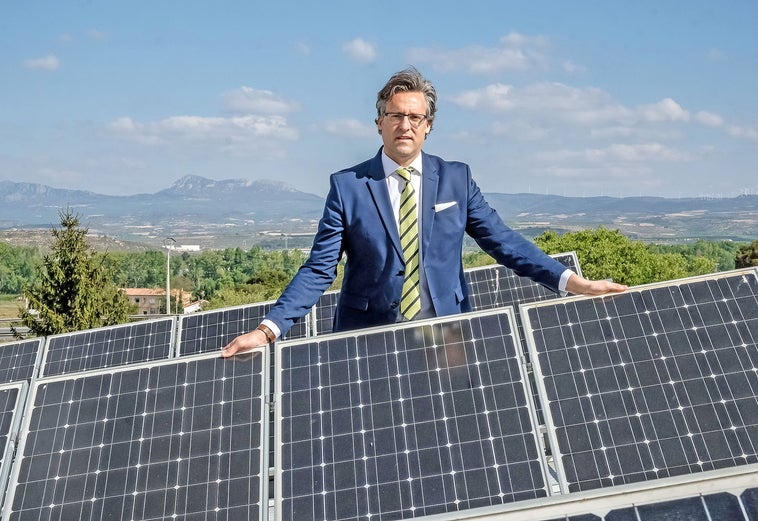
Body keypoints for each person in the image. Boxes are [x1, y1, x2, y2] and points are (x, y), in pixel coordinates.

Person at [221, 67, 627, 357]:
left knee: (449, 444)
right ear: (378, 122)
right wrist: (268, 330)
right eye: (396, 115)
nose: (406, 125)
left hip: (446, 338)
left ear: (429, 125)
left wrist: (572, 282)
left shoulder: (456, 179)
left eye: (416, 117)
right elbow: (319, 269)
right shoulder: (347, 187)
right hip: (367, 342)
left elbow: (503, 242)